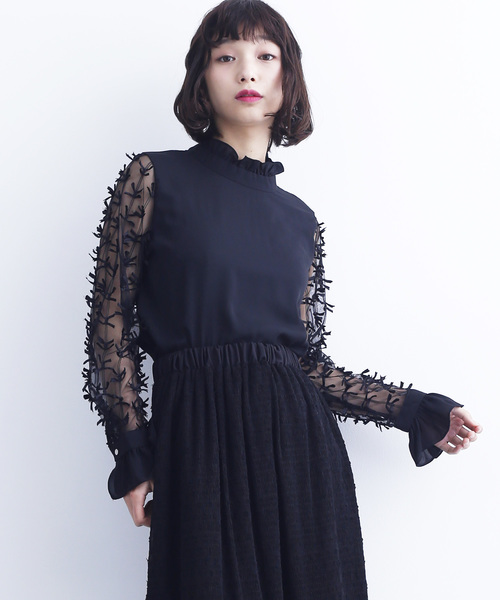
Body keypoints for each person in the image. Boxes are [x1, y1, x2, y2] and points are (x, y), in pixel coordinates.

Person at [82, 1, 482, 598]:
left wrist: (414, 409)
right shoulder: (154, 178)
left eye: (265, 56)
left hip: (299, 455)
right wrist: (134, 455)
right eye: (227, 57)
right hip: (198, 445)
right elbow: (110, 328)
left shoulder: (300, 221)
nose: (247, 71)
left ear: (287, 78)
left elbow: (304, 366)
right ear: (201, 76)